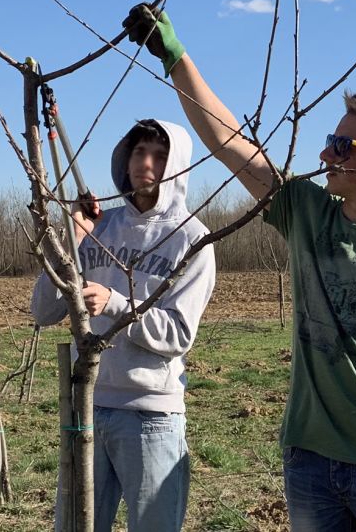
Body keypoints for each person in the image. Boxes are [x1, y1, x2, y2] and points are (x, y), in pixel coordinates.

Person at [123, 4, 356, 532]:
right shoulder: (307, 213)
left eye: (341, 145)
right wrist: (176, 57)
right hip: (309, 459)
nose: (325, 154)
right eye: (329, 141)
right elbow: (230, 142)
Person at [30, 117, 217, 531]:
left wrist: (115, 303)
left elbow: (178, 334)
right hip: (89, 406)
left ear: (179, 166)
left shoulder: (192, 240)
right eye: (139, 151)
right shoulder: (99, 226)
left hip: (150, 416)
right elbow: (44, 312)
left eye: (160, 155)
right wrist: (73, 237)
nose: (145, 163)